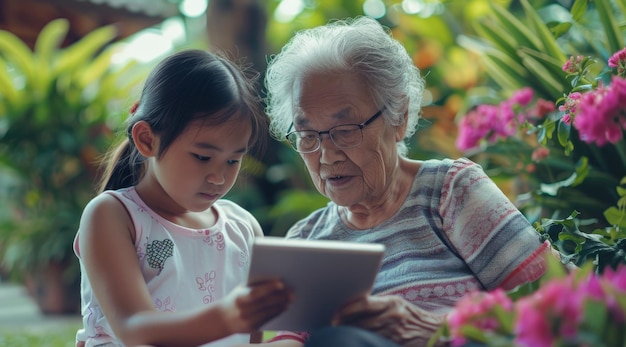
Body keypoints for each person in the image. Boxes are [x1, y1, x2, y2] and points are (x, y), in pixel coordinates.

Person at [260, 16, 556, 347]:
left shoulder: (451, 190)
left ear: (397, 117)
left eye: (345, 131)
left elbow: (557, 303)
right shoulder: (306, 241)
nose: (327, 156)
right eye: (308, 135)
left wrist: (443, 330)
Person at [73, 49, 292, 347]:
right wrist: (226, 317)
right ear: (147, 139)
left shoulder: (243, 228)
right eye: (203, 157)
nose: (218, 177)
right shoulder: (113, 215)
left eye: (232, 161)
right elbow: (133, 328)